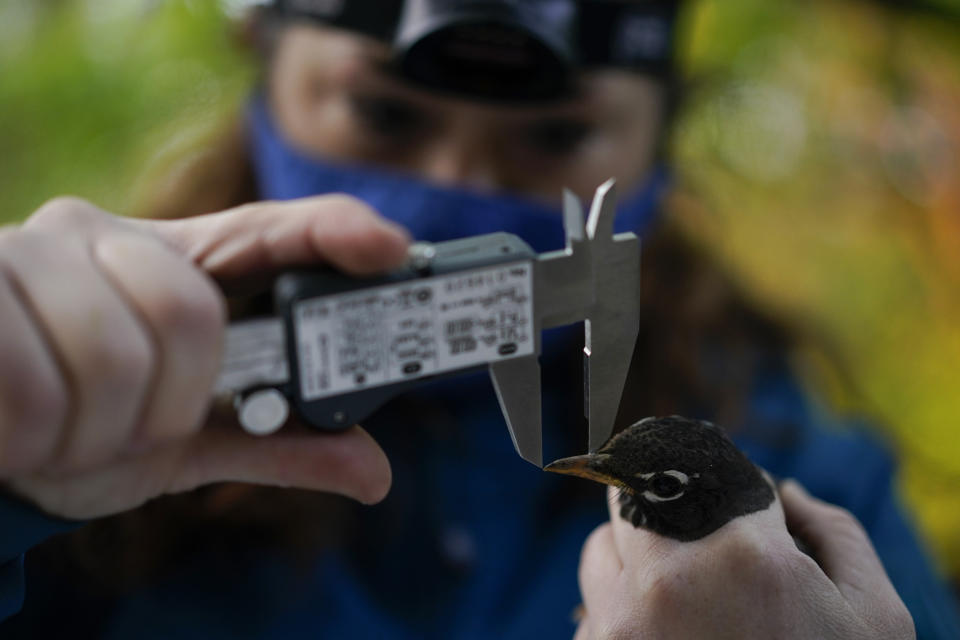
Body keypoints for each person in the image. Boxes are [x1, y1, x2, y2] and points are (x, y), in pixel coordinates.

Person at [0, 1, 957, 637]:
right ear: (261, 58)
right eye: (382, 115)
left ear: (660, 133)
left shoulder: (812, 507)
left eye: (556, 136)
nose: (460, 189)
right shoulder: (59, 409)